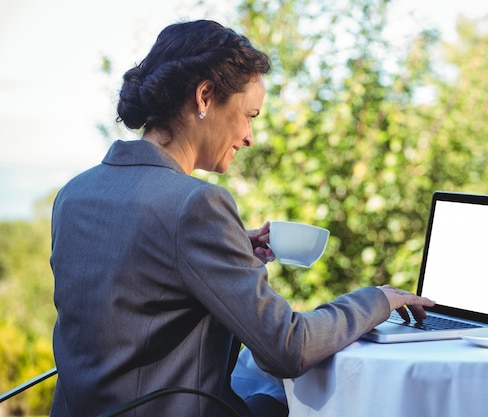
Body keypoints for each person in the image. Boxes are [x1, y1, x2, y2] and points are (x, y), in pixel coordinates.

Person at [49, 19, 434, 417]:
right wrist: (378, 300)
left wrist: (228, 247)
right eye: (249, 115)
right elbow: (289, 347)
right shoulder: (197, 205)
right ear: (204, 96)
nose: (250, 136)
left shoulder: (74, 194)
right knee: (295, 398)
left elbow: (129, 290)